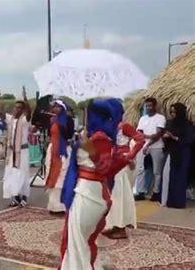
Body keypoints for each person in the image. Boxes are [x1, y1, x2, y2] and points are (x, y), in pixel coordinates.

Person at [59, 98, 129, 270]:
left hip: (89, 193)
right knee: (78, 240)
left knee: (78, 241)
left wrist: (90, 151)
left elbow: (105, 169)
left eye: (90, 114)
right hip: (85, 190)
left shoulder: (101, 139)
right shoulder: (94, 136)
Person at [103, 103, 145, 239]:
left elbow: (140, 139)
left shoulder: (124, 126)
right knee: (112, 195)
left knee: (119, 195)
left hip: (121, 163)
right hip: (111, 163)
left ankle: (121, 228)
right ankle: (113, 224)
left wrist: (130, 155)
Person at [0, 88, 32, 207]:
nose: (17, 109)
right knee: (11, 174)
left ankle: (24, 196)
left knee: (22, 173)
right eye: (16, 107)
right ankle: (15, 196)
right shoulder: (10, 119)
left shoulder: (25, 120)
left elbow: (29, 113)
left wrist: (25, 101)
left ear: (23, 110)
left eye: (20, 108)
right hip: (12, 152)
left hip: (22, 151)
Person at [161, 103, 194, 208]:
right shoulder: (170, 123)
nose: (172, 114)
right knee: (171, 176)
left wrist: (174, 137)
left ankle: (179, 202)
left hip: (183, 153)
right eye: (171, 112)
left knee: (180, 178)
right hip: (172, 152)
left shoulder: (188, 124)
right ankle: (170, 201)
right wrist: (165, 137)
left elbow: (190, 140)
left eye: (174, 111)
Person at [134, 98, 166, 201]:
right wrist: (148, 137)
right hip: (143, 146)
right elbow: (138, 133)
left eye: (150, 106)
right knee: (140, 169)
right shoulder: (143, 119)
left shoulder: (160, 118)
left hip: (156, 146)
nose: (148, 108)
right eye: (147, 106)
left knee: (157, 171)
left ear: (155, 106)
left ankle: (156, 192)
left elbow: (158, 134)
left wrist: (148, 141)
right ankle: (140, 192)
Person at [45, 100, 71, 215]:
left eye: (58, 107)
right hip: (53, 150)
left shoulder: (68, 120)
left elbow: (68, 135)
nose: (55, 109)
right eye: (54, 107)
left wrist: (61, 124)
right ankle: (53, 205)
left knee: (62, 176)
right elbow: (49, 134)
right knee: (52, 174)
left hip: (63, 150)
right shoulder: (51, 120)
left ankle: (61, 206)